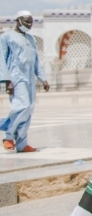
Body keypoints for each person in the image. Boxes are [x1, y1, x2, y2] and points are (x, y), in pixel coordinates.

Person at [0, 10, 50, 152]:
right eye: (26, 21)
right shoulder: (6, 37)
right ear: (18, 20)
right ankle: (9, 136)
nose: (29, 24)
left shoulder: (31, 39)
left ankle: (22, 144)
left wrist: (43, 78)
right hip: (15, 77)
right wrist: (6, 80)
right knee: (22, 106)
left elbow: (36, 61)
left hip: (29, 78)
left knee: (29, 109)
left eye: (31, 22)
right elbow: (1, 59)